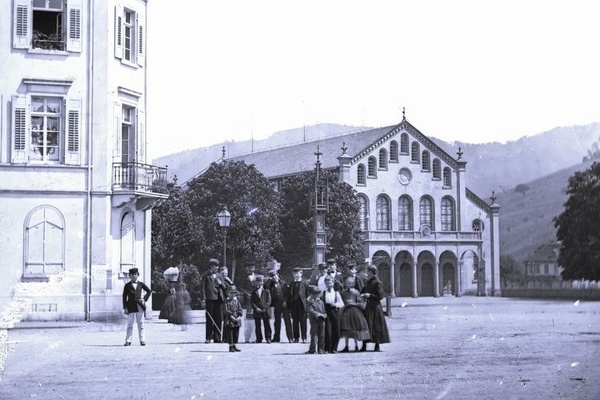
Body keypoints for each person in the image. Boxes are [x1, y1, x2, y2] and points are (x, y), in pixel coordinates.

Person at [360, 265, 391, 352]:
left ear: (371, 272)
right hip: (369, 307)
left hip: (375, 307)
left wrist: (369, 295)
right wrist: (363, 294)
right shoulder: (368, 281)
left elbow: (380, 296)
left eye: (367, 271)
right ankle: (364, 345)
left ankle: (377, 346)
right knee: (367, 326)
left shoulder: (377, 282)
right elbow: (362, 291)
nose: (366, 273)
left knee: (376, 326)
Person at [339, 275, 370, 352]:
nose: (349, 284)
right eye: (347, 283)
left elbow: (360, 302)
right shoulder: (343, 293)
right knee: (346, 329)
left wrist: (354, 304)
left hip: (355, 311)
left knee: (355, 329)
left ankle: (356, 345)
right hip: (346, 311)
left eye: (350, 283)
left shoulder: (356, 292)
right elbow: (341, 302)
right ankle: (346, 346)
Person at [122, 267, 152, 346]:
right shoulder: (127, 286)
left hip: (139, 305)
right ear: (130, 276)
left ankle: (142, 340)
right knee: (130, 324)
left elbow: (149, 291)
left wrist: (144, 299)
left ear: (138, 275)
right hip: (130, 306)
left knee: (141, 323)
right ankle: (128, 341)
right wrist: (125, 307)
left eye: (135, 274)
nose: (134, 276)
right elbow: (124, 297)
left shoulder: (141, 284)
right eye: (132, 275)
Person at [200, 259, 227, 343]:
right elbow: (202, 289)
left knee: (219, 318)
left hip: (219, 299)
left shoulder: (220, 275)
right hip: (210, 299)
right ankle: (208, 337)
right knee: (209, 318)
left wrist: (220, 283)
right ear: (211, 266)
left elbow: (225, 287)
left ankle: (217, 337)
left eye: (218, 266)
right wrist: (203, 300)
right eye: (216, 266)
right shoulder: (206, 276)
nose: (217, 268)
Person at [264, 269, 292, 342]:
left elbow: (287, 293)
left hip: (284, 303)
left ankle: (290, 338)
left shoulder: (283, 283)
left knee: (287, 321)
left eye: (275, 275)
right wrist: (269, 280)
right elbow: (265, 286)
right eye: (272, 276)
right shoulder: (270, 285)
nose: (274, 278)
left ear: (278, 275)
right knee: (277, 321)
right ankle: (277, 338)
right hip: (277, 304)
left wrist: (286, 301)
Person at [322, 275, 344, 353]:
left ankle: (334, 348)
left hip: (335, 312)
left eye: (330, 283)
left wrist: (335, 305)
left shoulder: (336, 293)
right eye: (327, 283)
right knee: (328, 331)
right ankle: (327, 348)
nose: (329, 285)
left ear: (333, 283)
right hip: (327, 312)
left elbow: (341, 304)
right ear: (325, 284)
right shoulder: (323, 293)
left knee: (336, 331)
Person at [288, 267, 309, 343]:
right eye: (295, 273)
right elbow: (289, 294)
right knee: (295, 322)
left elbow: (307, 294)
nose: (296, 275)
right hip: (294, 305)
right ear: (293, 274)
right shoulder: (291, 283)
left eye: (298, 273)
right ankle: (296, 337)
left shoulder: (305, 282)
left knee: (303, 321)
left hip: (302, 305)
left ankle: (304, 337)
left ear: (301, 274)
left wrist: (307, 305)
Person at [250, 275, 272, 343]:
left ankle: (268, 338)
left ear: (263, 282)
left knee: (267, 324)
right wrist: (256, 308)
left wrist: (265, 308)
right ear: (256, 282)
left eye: (261, 281)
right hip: (257, 311)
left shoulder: (266, 291)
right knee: (258, 325)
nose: (259, 283)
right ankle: (259, 338)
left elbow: (269, 301)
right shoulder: (254, 291)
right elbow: (252, 301)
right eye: (258, 281)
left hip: (265, 310)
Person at [306, 285, 327, 354]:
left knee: (322, 335)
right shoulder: (310, 302)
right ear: (311, 294)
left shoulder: (321, 302)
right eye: (315, 293)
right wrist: (318, 314)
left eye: (317, 293)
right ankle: (312, 349)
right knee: (314, 335)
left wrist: (324, 315)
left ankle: (321, 349)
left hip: (322, 320)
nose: (316, 295)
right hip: (314, 320)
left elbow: (323, 310)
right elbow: (311, 310)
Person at [222, 285, 243, 352]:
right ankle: (230, 346)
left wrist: (239, 316)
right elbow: (226, 310)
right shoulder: (226, 302)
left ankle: (234, 345)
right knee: (230, 333)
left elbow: (240, 309)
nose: (232, 294)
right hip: (229, 320)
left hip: (237, 320)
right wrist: (232, 317)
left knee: (235, 333)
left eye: (234, 293)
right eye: (231, 293)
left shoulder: (237, 301)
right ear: (228, 293)